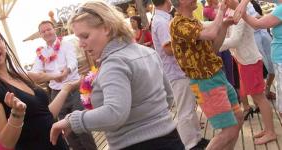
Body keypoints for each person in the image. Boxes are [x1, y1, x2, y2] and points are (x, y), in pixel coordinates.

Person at [50, 1, 185, 150]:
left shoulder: (114, 63)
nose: (81, 44)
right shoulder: (147, 52)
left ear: (107, 28)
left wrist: (72, 120)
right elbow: (168, 96)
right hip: (171, 138)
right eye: (79, 38)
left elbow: (114, 114)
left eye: (85, 36)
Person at [0, 21, 72, 149]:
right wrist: (17, 114)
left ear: (4, 44)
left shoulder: (17, 76)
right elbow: (7, 142)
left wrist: (66, 89)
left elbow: (45, 114)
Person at [169, 0, 243, 149]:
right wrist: (221, 11)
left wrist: (224, 25)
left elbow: (214, 48)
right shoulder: (178, 24)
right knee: (228, 131)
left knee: (238, 118)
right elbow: (211, 33)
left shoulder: (192, 21)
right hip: (205, 84)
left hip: (217, 77)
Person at [28, 21, 97, 150]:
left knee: (81, 125)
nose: (47, 32)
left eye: (49, 29)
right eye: (43, 31)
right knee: (66, 130)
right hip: (56, 93)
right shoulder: (40, 53)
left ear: (54, 30)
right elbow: (35, 70)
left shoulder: (66, 44)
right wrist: (42, 76)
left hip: (74, 88)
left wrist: (66, 72)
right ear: (40, 35)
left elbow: (73, 62)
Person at [151, 0, 209, 149]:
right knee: (186, 110)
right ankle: (190, 144)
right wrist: (190, 41)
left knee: (191, 107)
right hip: (177, 73)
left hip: (181, 71)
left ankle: (196, 138)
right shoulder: (162, 21)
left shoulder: (162, 18)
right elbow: (168, 48)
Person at [219, 2, 277, 144]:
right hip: (245, 60)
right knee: (258, 98)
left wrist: (214, 44)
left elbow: (234, 40)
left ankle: (271, 132)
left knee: (259, 98)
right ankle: (268, 129)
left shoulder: (239, 14)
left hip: (250, 61)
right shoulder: (234, 13)